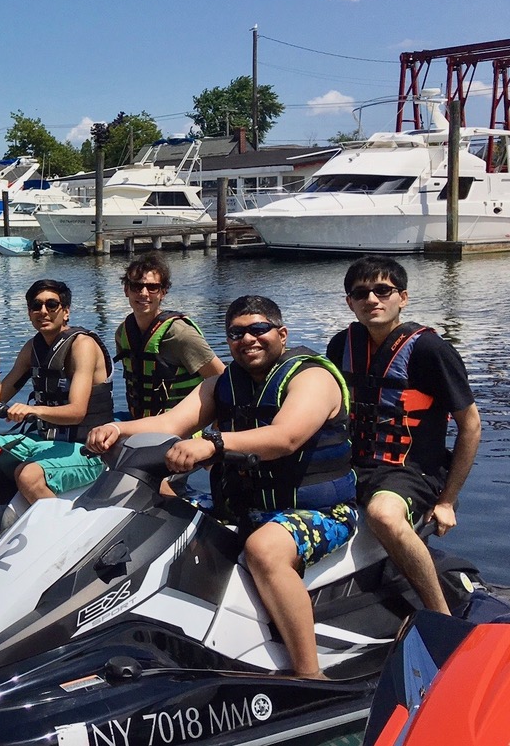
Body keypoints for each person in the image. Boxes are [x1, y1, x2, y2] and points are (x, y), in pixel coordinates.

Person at [88, 296, 357, 679]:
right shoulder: (223, 384)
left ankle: (309, 674)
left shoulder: (311, 378)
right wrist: (117, 429)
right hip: (243, 508)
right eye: (236, 333)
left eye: (258, 329)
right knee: (156, 505)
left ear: (281, 333)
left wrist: (213, 444)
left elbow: (286, 437)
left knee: (264, 549)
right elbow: (170, 423)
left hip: (318, 512)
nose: (248, 338)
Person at [327, 256, 480, 616]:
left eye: (383, 290)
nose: (372, 299)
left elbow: (470, 425)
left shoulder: (430, 350)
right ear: (350, 302)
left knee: (382, 515)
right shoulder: (340, 345)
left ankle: (440, 616)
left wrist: (446, 500)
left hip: (410, 471)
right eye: (361, 293)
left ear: (403, 297)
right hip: (352, 464)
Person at [0, 279, 114, 503]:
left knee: (28, 476)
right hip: (44, 439)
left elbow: (77, 411)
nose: (43, 311)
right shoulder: (32, 348)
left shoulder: (82, 345)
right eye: (36, 306)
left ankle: (60, 532)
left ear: (65, 311)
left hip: (89, 448)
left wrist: (33, 410)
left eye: (51, 305)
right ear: (29, 313)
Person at [114, 254, 224, 419]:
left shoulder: (180, 333)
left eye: (153, 287)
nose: (144, 293)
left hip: (179, 428)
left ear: (163, 292)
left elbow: (223, 379)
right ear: (126, 290)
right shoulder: (123, 333)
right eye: (136, 286)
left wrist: (219, 423)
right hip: (138, 422)